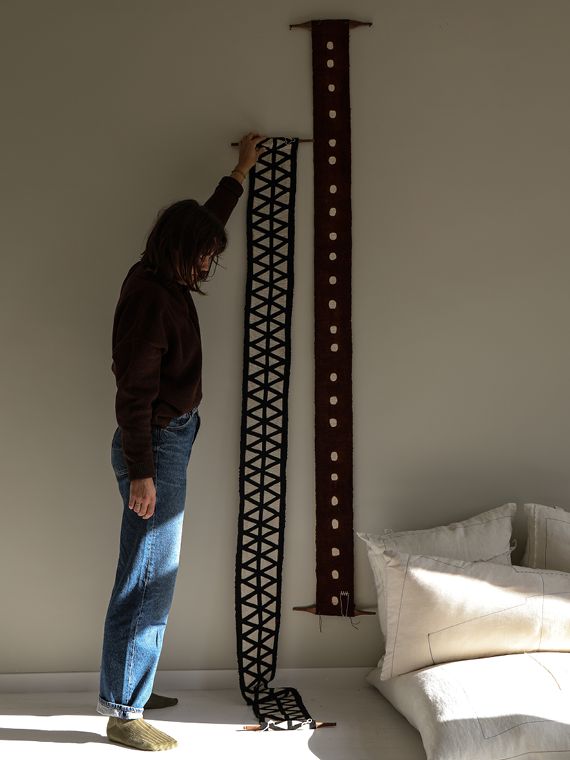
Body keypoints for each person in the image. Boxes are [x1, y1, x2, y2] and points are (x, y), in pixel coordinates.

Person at [97, 132, 266, 751]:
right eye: (203, 258)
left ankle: (133, 685)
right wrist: (143, 471)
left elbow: (207, 220)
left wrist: (239, 171)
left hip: (168, 441)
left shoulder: (159, 275)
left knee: (153, 570)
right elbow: (133, 394)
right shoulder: (149, 301)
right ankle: (124, 710)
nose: (207, 267)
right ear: (179, 253)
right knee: (148, 575)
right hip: (154, 446)